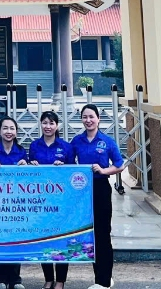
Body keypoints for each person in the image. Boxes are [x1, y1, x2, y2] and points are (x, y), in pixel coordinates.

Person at [69, 103, 124, 289]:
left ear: (98, 119)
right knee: (90, 235)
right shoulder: (77, 141)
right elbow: (69, 163)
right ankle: (102, 277)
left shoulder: (107, 141)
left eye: (91, 117)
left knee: (102, 234)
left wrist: (103, 170)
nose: (88, 120)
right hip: (82, 192)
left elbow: (119, 165)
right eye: (85, 117)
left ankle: (104, 281)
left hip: (101, 189)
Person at [28, 111, 73, 289]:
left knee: (62, 239)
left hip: (61, 201)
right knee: (44, 239)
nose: (48, 126)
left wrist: (64, 167)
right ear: (40, 124)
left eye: (51, 123)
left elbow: (73, 173)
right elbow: (30, 174)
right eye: (45, 123)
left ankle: (60, 280)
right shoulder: (34, 146)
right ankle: (48, 279)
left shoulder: (66, 147)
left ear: (57, 126)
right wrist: (32, 165)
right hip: (41, 201)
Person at [0, 116, 29, 289]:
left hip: (16, 203)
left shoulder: (21, 152)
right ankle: (0, 280)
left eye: (12, 128)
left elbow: (28, 178)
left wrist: (25, 165)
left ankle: (15, 279)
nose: (8, 132)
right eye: (5, 128)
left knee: (15, 240)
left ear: (16, 132)